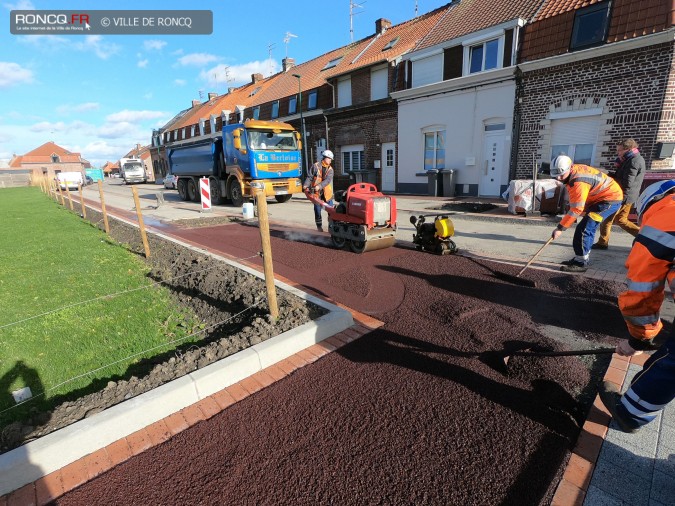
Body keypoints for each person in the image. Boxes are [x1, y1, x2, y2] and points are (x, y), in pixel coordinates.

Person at [598, 179, 675, 433]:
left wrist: (639, 340)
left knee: (670, 362)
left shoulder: (661, 221)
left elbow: (642, 293)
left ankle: (630, 413)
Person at [549, 155, 623, 272]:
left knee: (585, 228)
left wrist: (560, 228)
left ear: (570, 168)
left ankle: (581, 263)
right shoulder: (573, 172)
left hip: (609, 201)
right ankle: (580, 258)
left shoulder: (578, 181)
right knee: (586, 227)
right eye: (555, 175)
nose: (558, 178)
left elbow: (576, 209)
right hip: (600, 199)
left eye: (561, 174)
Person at [593, 139, 646, 250]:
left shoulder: (633, 161)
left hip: (624, 196)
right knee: (621, 220)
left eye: (620, 150)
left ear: (628, 149)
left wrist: (611, 178)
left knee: (609, 218)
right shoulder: (632, 159)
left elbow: (627, 183)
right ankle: (644, 237)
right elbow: (624, 179)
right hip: (627, 195)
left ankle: (603, 243)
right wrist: (608, 173)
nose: (618, 153)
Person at [303, 149, 335, 232]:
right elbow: (310, 177)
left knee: (331, 211)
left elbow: (327, 180)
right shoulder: (315, 166)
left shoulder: (330, 170)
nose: (330, 161)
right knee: (317, 211)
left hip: (327, 194)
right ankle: (319, 227)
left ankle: (332, 227)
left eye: (331, 159)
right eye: (329, 158)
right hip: (316, 194)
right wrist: (306, 185)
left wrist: (319, 186)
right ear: (325, 158)